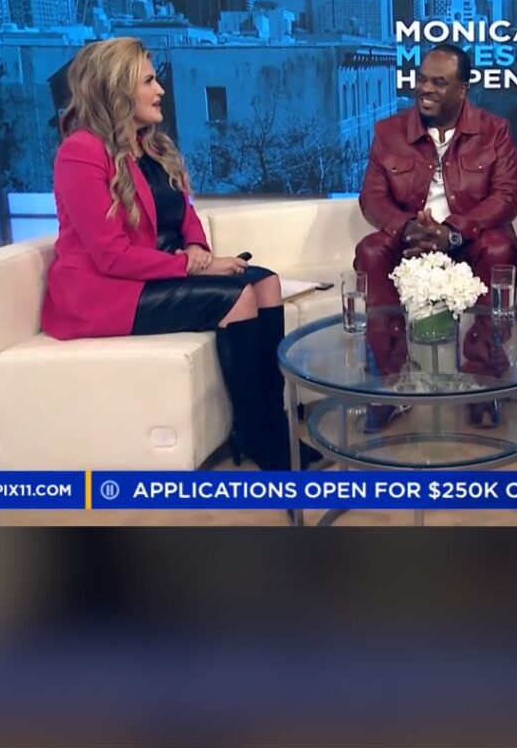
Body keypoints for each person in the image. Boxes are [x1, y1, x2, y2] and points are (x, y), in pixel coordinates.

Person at [40, 37, 319, 471]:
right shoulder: (81, 152)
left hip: (158, 273)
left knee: (266, 282)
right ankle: (253, 431)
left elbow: (185, 214)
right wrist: (192, 266)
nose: (161, 90)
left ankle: (272, 422)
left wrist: (197, 249)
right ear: (117, 89)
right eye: (148, 81)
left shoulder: (150, 146)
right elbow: (111, 256)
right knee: (238, 296)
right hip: (108, 290)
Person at [355, 41, 517, 306]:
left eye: (439, 83)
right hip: (411, 241)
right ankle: (386, 333)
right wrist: (408, 228)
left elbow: (506, 197)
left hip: (470, 240)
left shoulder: (494, 131)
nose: (425, 88)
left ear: (462, 90)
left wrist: (453, 232)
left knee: (499, 248)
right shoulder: (389, 131)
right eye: (422, 79)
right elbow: (372, 198)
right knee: (371, 250)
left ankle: (488, 333)